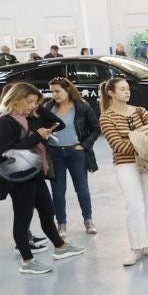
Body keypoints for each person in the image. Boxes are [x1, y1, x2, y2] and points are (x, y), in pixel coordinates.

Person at [0, 84, 84, 276]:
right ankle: (27, 260)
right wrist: (36, 137)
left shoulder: (25, 118)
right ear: (15, 99)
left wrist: (37, 119)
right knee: (23, 217)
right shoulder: (5, 122)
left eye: (35, 102)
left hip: (34, 171)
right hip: (18, 176)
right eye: (29, 101)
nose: (33, 106)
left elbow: (54, 123)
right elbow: (5, 152)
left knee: (47, 210)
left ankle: (59, 245)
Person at [99, 76, 148, 268]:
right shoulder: (106, 117)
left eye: (127, 89)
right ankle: (136, 246)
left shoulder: (141, 111)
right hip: (125, 164)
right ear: (111, 93)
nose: (127, 92)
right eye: (122, 89)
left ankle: (146, 243)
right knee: (134, 205)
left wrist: (137, 138)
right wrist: (142, 139)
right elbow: (117, 145)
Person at [44, 78, 99, 236]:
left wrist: (83, 145)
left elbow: (95, 129)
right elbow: (39, 128)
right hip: (55, 153)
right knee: (58, 191)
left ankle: (88, 220)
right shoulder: (47, 108)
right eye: (52, 91)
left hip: (76, 153)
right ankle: (61, 224)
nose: (54, 94)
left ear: (67, 90)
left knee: (82, 188)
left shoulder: (82, 107)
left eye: (57, 91)